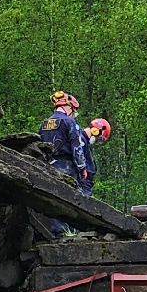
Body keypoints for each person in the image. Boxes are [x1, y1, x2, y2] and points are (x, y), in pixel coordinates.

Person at [39, 91, 91, 233]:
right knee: (72, 201)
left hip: (48, 166)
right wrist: (82, 168)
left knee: (53, 200)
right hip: (67, 167)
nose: (73, 114)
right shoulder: (69, 122)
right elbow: (76, 147)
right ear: (69, 107)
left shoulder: (44, 124)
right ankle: (72, 231)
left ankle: (56, 231)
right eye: (73, 111)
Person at [81, 118, 112, 196]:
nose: (97, 141)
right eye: (100, 138)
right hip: (82, 185)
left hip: (86, 186)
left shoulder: (87, 145)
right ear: (96, 131)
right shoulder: (80, 140)